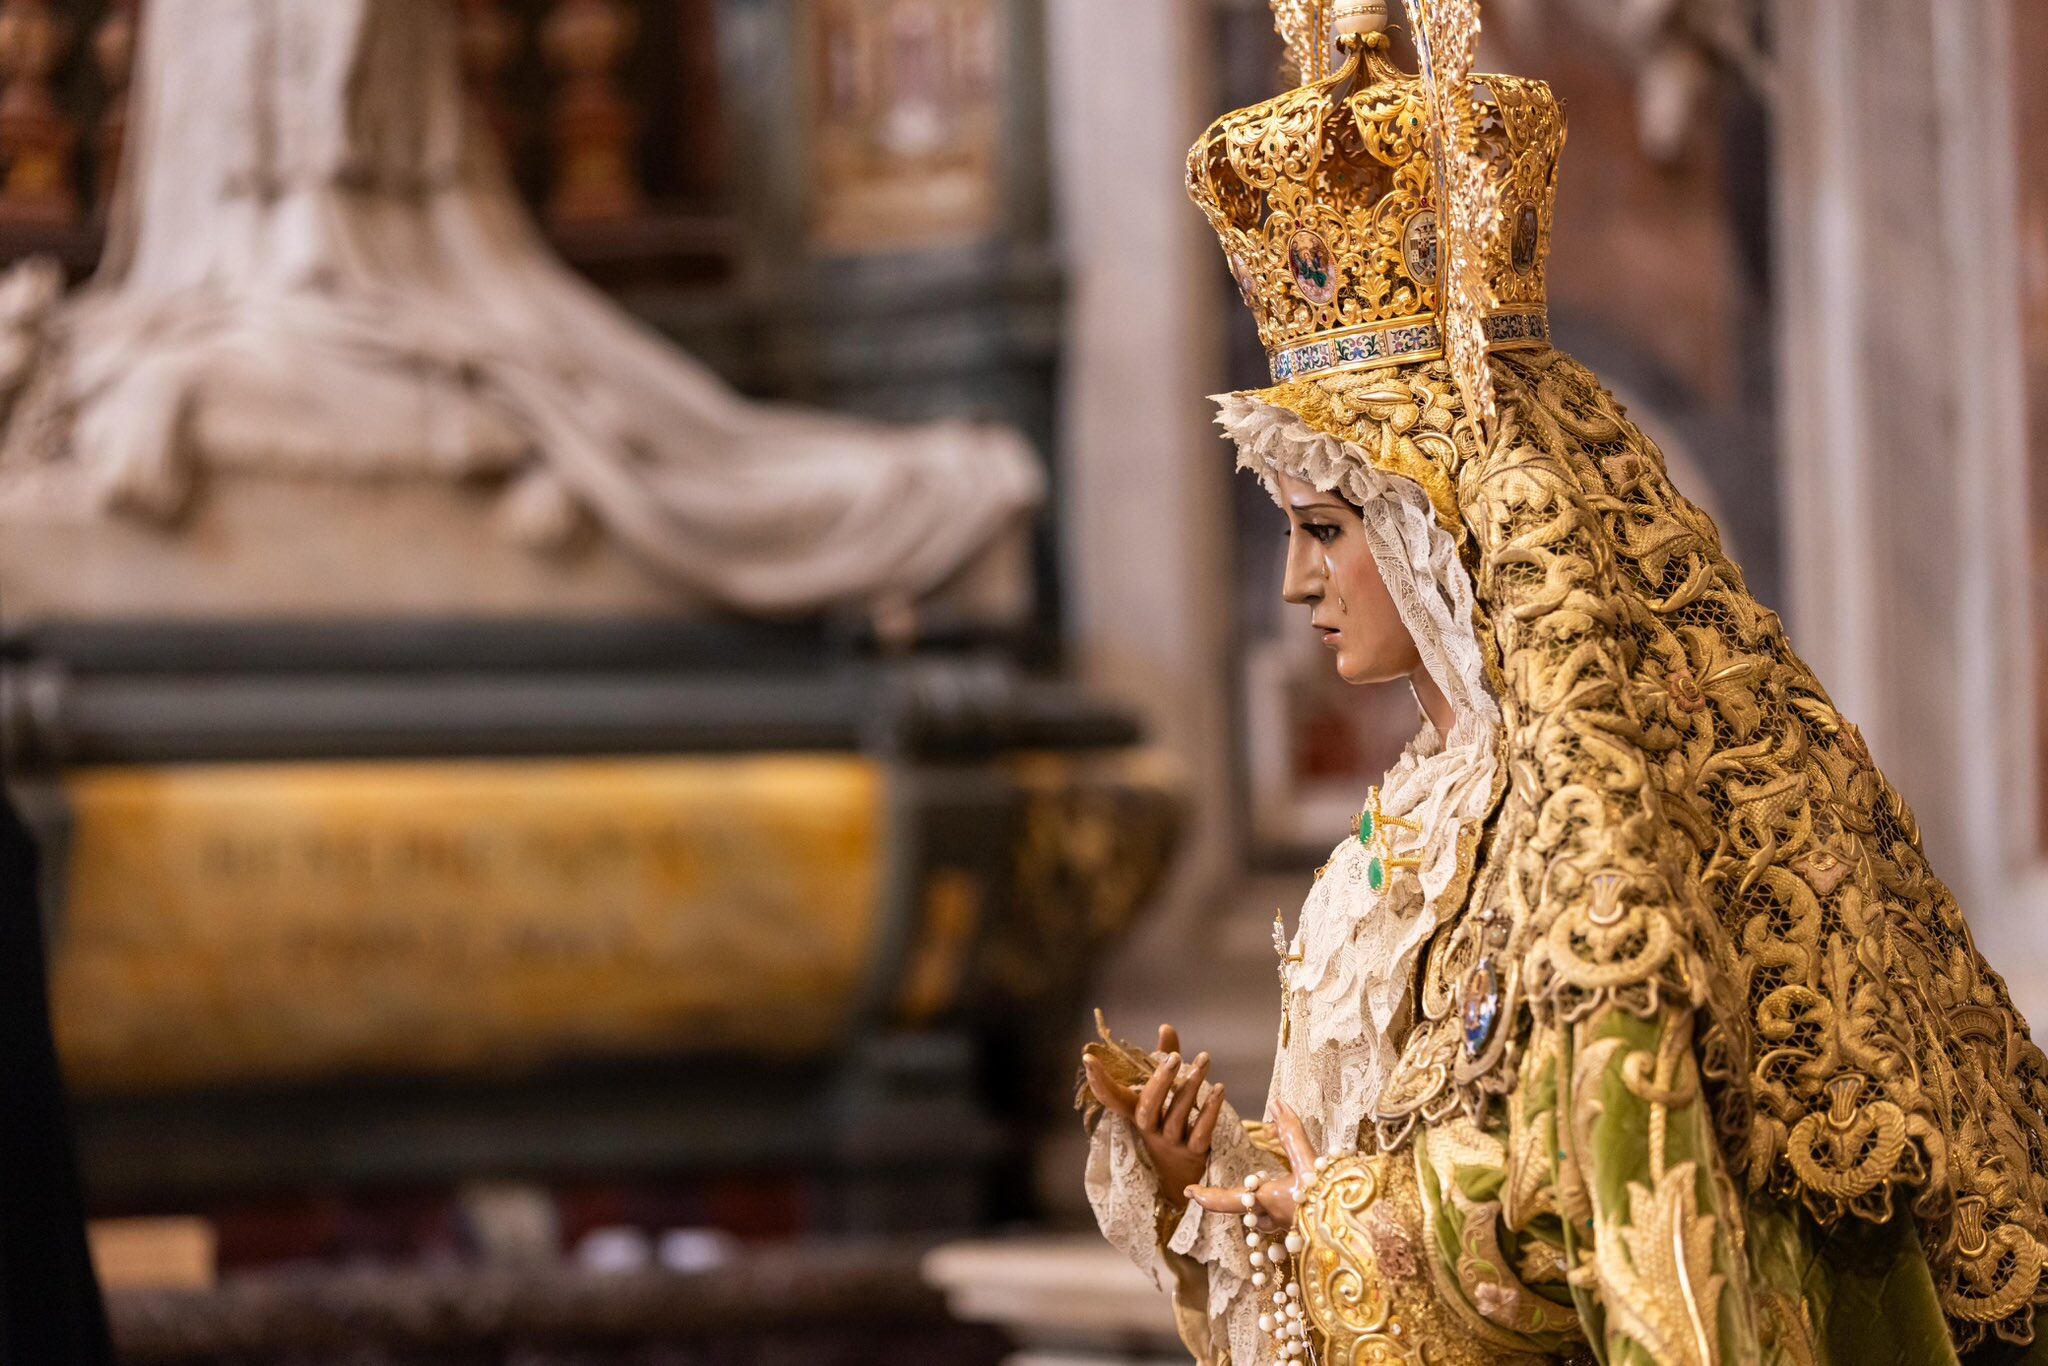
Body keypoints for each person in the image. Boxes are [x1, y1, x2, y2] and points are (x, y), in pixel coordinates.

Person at [1079, 2, 2048, 1362]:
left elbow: (1635, 1225)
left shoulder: (1590, 832)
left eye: (1325, 533)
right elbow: (1362, 1175)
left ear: (1441, 526)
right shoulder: (1399, 833)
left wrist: (1340, 1223)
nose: (1299, 587)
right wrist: (1215, 1189)